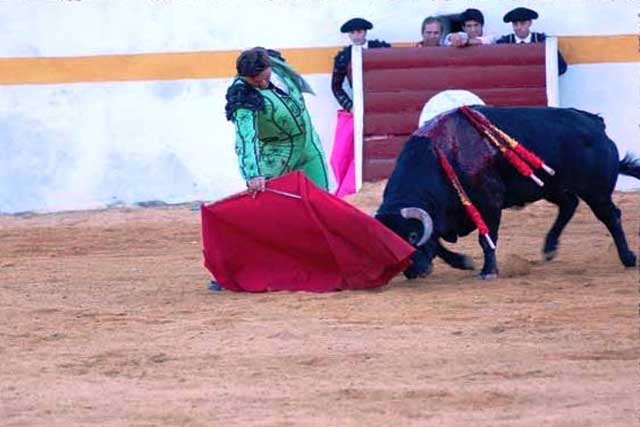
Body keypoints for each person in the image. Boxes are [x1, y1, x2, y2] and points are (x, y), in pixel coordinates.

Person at [225, 47, 329, 193]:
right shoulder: (242, 94)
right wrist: (253, 174)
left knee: (321, 199)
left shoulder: (278, 67)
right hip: (277, 156)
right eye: (255, 82)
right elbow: (245, 138)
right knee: (270, 206)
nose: (262, 84)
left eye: (265, 78)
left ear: (269, 66)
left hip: (309, 146)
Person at [332, 18, 391, 111]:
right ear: (349, 35)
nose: (356, 36)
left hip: (384, 99)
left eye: (359, 31)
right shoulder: (343, 57)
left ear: (365, 32)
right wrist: (350, 106)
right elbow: (336, 86)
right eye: (352, 32)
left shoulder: (379, 48)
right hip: (360, 102)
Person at [496, 7, 568, 75]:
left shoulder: (543, 41)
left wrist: (540, 75)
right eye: (515, 24)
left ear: (530, 23)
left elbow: (562, 67)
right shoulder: (504, 43)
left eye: (522, 23)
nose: (518, 27)